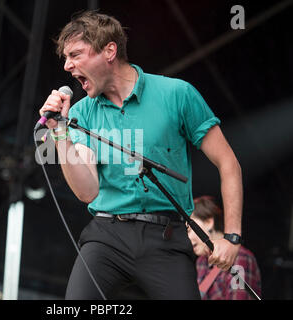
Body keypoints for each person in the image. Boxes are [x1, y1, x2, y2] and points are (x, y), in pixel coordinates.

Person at [38, 11, 243, 300]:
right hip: (107, 236)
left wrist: (232, 236)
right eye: (66, 58)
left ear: (109, 51)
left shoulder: (176, 94)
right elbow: (86, 191)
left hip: (166, 238)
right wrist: (59, 132)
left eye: (76, 55)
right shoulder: (82, 112)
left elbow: (228, 163)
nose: (68, 66)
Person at [188, 196, 262, 300]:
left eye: (189, 230)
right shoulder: (201, 262)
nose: (187, 238)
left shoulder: (240, 257)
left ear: (209, 222)